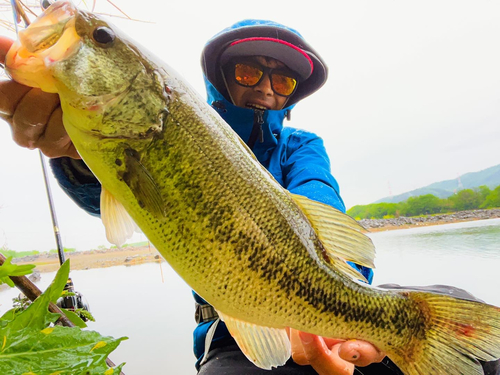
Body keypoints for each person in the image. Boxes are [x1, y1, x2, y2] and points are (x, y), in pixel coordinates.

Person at [8, 19, 492, 375]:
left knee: (464, 322)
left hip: (326, 312)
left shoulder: (302, 146)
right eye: (248, 72)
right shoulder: (167, 129)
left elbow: (323, 210)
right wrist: (74, 155)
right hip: (231, 336)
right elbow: (108, 197)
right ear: (222, 75)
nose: (265, 87)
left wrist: (342, 324)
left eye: (282, 80)